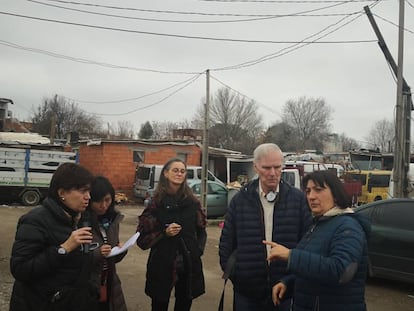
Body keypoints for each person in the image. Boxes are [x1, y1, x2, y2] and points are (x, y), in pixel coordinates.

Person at [219, 143, 312, 311]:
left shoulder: (298, 200)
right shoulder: (240, 201)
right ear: (256, 167)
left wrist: (291, 279)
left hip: (284, 291)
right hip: (247, 293)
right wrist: (238, 277)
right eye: (266, 168)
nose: (272, 173)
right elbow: (226, 244)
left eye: (277, 167)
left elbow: (307, 244)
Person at [263, 170, 371, 311]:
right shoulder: (319, 224)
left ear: (336, 194)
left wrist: (291, 256)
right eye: (308, 191)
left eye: (318, 190)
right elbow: (314, 270)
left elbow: (341, 271)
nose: (311, 196)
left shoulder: (348, 227)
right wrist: (288, 283)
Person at [9, 162, 98, 311]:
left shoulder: (80, 219)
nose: (88, 197)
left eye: (89, 191)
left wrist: (90, 290)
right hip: (41, 304)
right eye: (82, 191)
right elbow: (20, 269)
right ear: (61, 193)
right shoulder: (35, 220)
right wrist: (63, 249)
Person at [136, 158, 207, 311]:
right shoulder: (156, 203)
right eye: (175, 170)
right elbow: (142, 237)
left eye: (182, 171)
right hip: (163, 263)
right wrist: (164, 232)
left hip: (188, 263)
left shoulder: (192, 202)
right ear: (166, 174)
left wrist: (197, 250)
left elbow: (202, 230)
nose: (179, 174)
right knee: (159, 304)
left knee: (184, 303)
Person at [86, 176, 127, 311]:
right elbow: (75, 256)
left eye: (107, 200)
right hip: (88, 284)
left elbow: (113, 258)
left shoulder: (112, 221)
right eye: (98, 201)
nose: (103, 205)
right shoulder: (82, 222)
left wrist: (121, 250)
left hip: (108, 281)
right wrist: (98, 253)